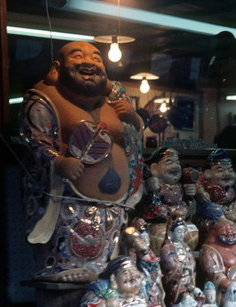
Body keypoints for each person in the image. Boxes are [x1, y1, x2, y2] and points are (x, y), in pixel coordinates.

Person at [20, 41, 144, 283]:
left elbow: (134, 139)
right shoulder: (44, 98)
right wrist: (58, 162)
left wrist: (133, 117)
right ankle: (62, 268)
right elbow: (34, 141)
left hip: (115, 205)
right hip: (70, 202)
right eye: (78, 56)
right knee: (74, 250)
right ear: (57, 68)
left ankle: (108, 270)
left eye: (97, 59)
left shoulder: (114, 99)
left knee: (112, 260)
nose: (89, 62)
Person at [139, 147, 198, 254]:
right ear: (154, 168)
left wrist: (190, 197)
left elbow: (190, 208)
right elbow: (146, 207)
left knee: (191, 231)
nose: (175, 166)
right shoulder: (153, 184)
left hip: (179, 221)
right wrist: (148, 188)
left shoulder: (180, 185)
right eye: (169, 162)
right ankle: (160, 256)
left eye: (177, 162)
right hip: (161, 222)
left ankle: (183, 253)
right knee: (159, 233)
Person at [194, 148, 236, 239]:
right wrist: (200, 191)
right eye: (220, 170)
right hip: (213, 207)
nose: (227, 173)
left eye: (230, 170)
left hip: (231, 207)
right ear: (208, 173)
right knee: (211, 207)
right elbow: (197, 184)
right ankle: (226, 222)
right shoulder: (204, 179)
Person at [159, 218, 196, 307]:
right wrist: (183, 268)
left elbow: (191, 259)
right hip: (176, 280)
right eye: (179, 231)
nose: (182, 234)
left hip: (188, 278)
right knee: (180, 298)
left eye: (183, 231)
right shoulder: (167, 247)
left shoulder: (185, 246)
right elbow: (170, 263)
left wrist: (190, 267)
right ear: (170, 233)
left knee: (193, 293)